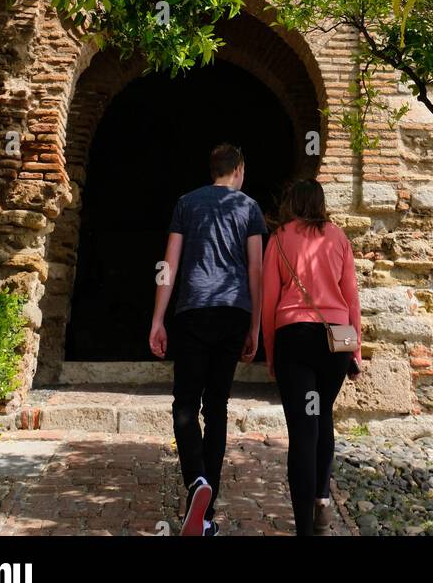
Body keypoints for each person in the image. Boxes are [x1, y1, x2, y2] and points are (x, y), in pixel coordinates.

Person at [149, 142, 267, 537]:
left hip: (193, 309)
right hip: (233, 311)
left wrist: (157, 318)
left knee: (185, 402)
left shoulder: (187, 203)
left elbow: (168, 264)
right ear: (238, 169)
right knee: (216, 406)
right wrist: (255, 325)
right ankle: (204, 514)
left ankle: (196, 480)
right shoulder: (248, 208)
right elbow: (256, 268)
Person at [262, 177, 362, 537]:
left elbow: (269, 304)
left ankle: (304, 527)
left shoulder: (279, 239)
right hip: (334, 343)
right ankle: (321, 501)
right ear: (319, 204)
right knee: (322, 416)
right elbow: (351, 298)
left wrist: (271, 355)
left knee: (304, 430)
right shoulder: (338, 237)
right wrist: (357, 351)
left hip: (295, 341)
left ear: (293, 202)